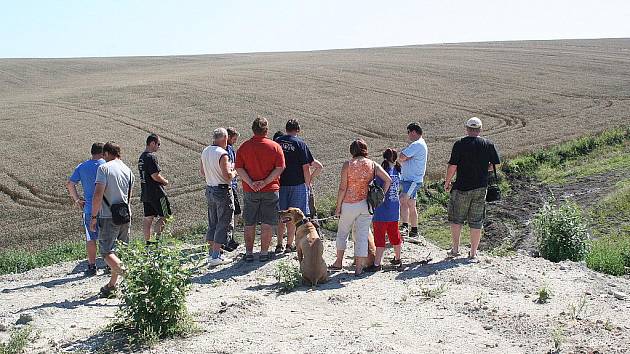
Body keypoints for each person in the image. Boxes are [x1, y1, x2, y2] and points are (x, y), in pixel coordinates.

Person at [330, 139, 391, 276]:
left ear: (352, 151)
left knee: (342, 233)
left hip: (349, 204)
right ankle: (358, 269)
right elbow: (388, 180)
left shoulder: (348, 165)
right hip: (366, 205)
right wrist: (381, 196)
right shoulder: (373, 164)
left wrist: (338, 206)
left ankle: (338, 262)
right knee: (362, 236)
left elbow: (342, 188)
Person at [444, 117, 501, 261]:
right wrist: (483, 169)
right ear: (480, 129)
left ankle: (455, 250)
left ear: (467, 129)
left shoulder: (459, 144)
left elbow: (452, 166)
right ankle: (473, 253)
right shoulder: (488, 144)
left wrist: (447, 182)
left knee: (457, 219)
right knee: (476, 221)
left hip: (461, 187)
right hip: (481, 188)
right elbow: (496, 165)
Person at [235, 117, 285, 262]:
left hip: (250, 190)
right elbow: (280, 168)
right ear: (266, 130)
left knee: (249, 222)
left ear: (253, 129)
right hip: (270, 189)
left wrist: (251, 182)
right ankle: (264, 253)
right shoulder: (275, 146)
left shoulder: (244, 147)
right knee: (267, 223)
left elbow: (239, 168)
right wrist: (265, 182)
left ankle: (249, 253)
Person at [90, 141, 134, 298]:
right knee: (120, 252)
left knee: (106, 251)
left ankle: (132, 280)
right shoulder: (128, 170)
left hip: (109, 216)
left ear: (107, 153)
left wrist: (94, 217)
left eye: (104, 155)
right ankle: (111, 286)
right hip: (125, 215)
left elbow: (97, 195)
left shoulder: (104, 169)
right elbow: (128, 197)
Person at [274, 119, 323, 253]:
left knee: (281, 215)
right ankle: (289, 245)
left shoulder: (278, 142)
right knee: (292, 217)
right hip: (297, 184)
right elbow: (306, 167)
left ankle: (278, 244)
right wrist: (307, 184)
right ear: (298, 129)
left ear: (286, 128)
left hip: (280, 183)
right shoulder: (300, 143)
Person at [66, 142, 105, 276]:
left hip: (89, 209)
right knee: (107, 237)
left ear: (92, 152)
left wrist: (77, 200)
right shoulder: (106, 165)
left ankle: (92, 266)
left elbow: (70, 184)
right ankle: (110, 265)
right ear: (102, 152)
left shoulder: (81, 166)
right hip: (106, 209)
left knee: (91, 238)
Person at [201, 128, 237, 266]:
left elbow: (202, 172)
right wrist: (234, 172)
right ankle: (216, 255)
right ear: (224, 138)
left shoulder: (205, 151)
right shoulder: (223, 154)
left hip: (210, 188)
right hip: (222, 190)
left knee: (213, 221)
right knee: (224, 222)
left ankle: (212, 253)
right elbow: (227, 175)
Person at [366, 148, 402, 272]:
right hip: (394, 208)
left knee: (380, 238)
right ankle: (398, 258)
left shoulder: (382, 173)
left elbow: (375, 187)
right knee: (395, 235)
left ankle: (377, 264)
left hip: (382, 210)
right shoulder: (398, 171)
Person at [398, 122, 428, 243]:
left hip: (413, 180)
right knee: (410, 204)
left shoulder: (417, 145)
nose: (408, 135)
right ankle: (413, 229)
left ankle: (404, 226)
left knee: (402, 200)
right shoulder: (419, 144)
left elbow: (401, 156)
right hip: (409, 179)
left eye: (408, 132)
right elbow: (404, 157)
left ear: (413, 132)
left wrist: (405, 156)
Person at [138, 133, 171, 244]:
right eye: (158, 144)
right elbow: (155, 176)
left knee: (148, 218)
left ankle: (148, 243)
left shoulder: (141, 157)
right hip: (157, 193)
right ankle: (157, 241)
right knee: (166, 216)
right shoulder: (151, 157)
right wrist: (165, 182)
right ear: (152, 143)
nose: (159, 147)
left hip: (145, 193)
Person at [224, 127, 241, 252]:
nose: (235, 141)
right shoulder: (227, 150)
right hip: (230, 185)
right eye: (234, 139)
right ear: (229, 137)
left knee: (233, 213)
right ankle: (228, 240)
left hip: (231, 184)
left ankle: (230, 239)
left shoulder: (227, 149)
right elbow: (231, 166)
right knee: (233, 213)